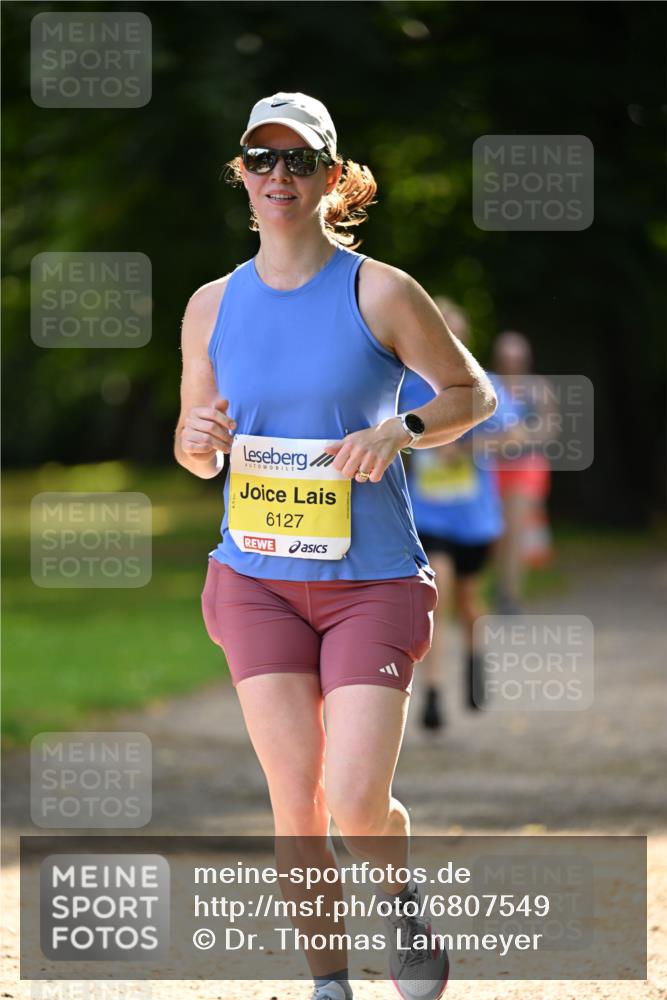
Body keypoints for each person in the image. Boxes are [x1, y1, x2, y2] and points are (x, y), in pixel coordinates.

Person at [174, 92, 497, 1000]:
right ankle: (328, 983)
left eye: (298, 160)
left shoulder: (380, 290)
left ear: (330, 176)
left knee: (355, 798)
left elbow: (470, 396)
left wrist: (400, 430)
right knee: (295, 799)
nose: (279, 175)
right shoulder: (209, 305)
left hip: (371, 581)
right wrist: (198, 439)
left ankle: (396, 894)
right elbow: (194, 453)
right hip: (255, 580)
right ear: (240, 171)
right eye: (261, 157)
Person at [399, 299, 511, 727]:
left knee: (468, 600)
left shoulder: (483, 385)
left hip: (475, 518)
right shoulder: (406, 385)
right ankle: (431, 694)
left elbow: (515, 433)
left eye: (455, 332)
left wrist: (463, 445)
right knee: (438, 595)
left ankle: (475, 659)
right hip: (427, 516)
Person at [491, 331, 557, 613]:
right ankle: (500, 586)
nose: (511, 363)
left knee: (517, 528)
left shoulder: (537, 388)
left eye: (516, 358)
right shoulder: (489, 385)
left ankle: (511, 594)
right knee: (498, 532)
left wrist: (523, 436)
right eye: (507, 358)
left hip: (526, 467)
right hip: (493, 466)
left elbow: (549, 427)